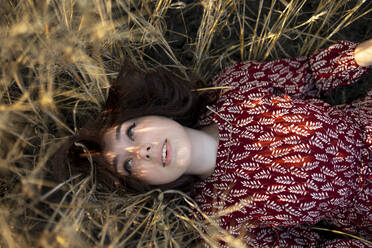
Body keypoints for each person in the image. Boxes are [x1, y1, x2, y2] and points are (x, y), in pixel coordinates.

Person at [52, 39, 372, 247]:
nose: (143, 150)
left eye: (132, 132)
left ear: (152, 112)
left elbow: (310, 75)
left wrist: (363, 55)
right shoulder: (220, 224)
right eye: (129, 165)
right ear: (143, 185)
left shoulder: (231, 87)